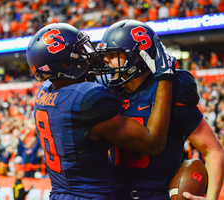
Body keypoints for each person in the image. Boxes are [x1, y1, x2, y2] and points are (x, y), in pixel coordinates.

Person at [26, 22, 175, 199]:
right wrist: (165, 78)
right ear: (66, 64)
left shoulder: (44, 91)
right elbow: (153, 143)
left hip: (59, 193)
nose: (89, 55)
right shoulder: (88, 98)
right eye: (81, 50)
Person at [95, 19, 224, 200]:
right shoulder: (108, 91)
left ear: (138, 57)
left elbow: (213, 151)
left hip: (159, 194)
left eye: (113, 54)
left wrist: (212, 198)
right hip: (115, 193)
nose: (106, 60)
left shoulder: (172, 89)